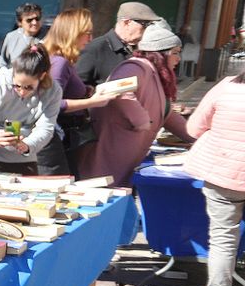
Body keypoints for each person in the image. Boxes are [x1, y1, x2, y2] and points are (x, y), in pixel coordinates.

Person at [78, 23, 192, 186]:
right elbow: (118, 89)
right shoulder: (136, 66)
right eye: (175, 53)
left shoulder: (155, 75)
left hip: (129, 152)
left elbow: (166, 114)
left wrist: (194, 136)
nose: (178, 59)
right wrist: (141, 121)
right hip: (111, 150)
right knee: (104, 196)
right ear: (160, 54)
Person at [37, 8, 136, 175]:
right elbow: (52, 104)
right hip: (60, 139)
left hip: (63, 138)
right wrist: (93, 102)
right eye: (87, 33)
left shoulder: (60, 59)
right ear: (72, 33)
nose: (90, 38)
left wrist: (89, 91)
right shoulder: (59, 63)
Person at [183, 71, 245, 286]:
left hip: (225, 175)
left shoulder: (227, 87)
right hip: (228, 174)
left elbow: (194, 127)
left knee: (223, 238)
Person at [0, 45, 63, 175]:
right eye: (16, 86)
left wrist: (28, 145)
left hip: (23, 156)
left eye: (29, 87)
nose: (22, 92)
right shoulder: (0, 82)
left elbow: (46, 128)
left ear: (42, 76)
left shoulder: (53, 91)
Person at [78, 0, 161, 87]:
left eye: (151, 25)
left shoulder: (144, 49)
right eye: (145, 25)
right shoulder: (95, 49)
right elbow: (78, 87)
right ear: (127, 23)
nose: (148, 29)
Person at [0, 3, 43, 68]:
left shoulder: (48, 37)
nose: (34, 22)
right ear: (20, 22)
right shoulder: (11, 37)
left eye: (37, 18)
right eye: (29, 20)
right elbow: (2, 63)